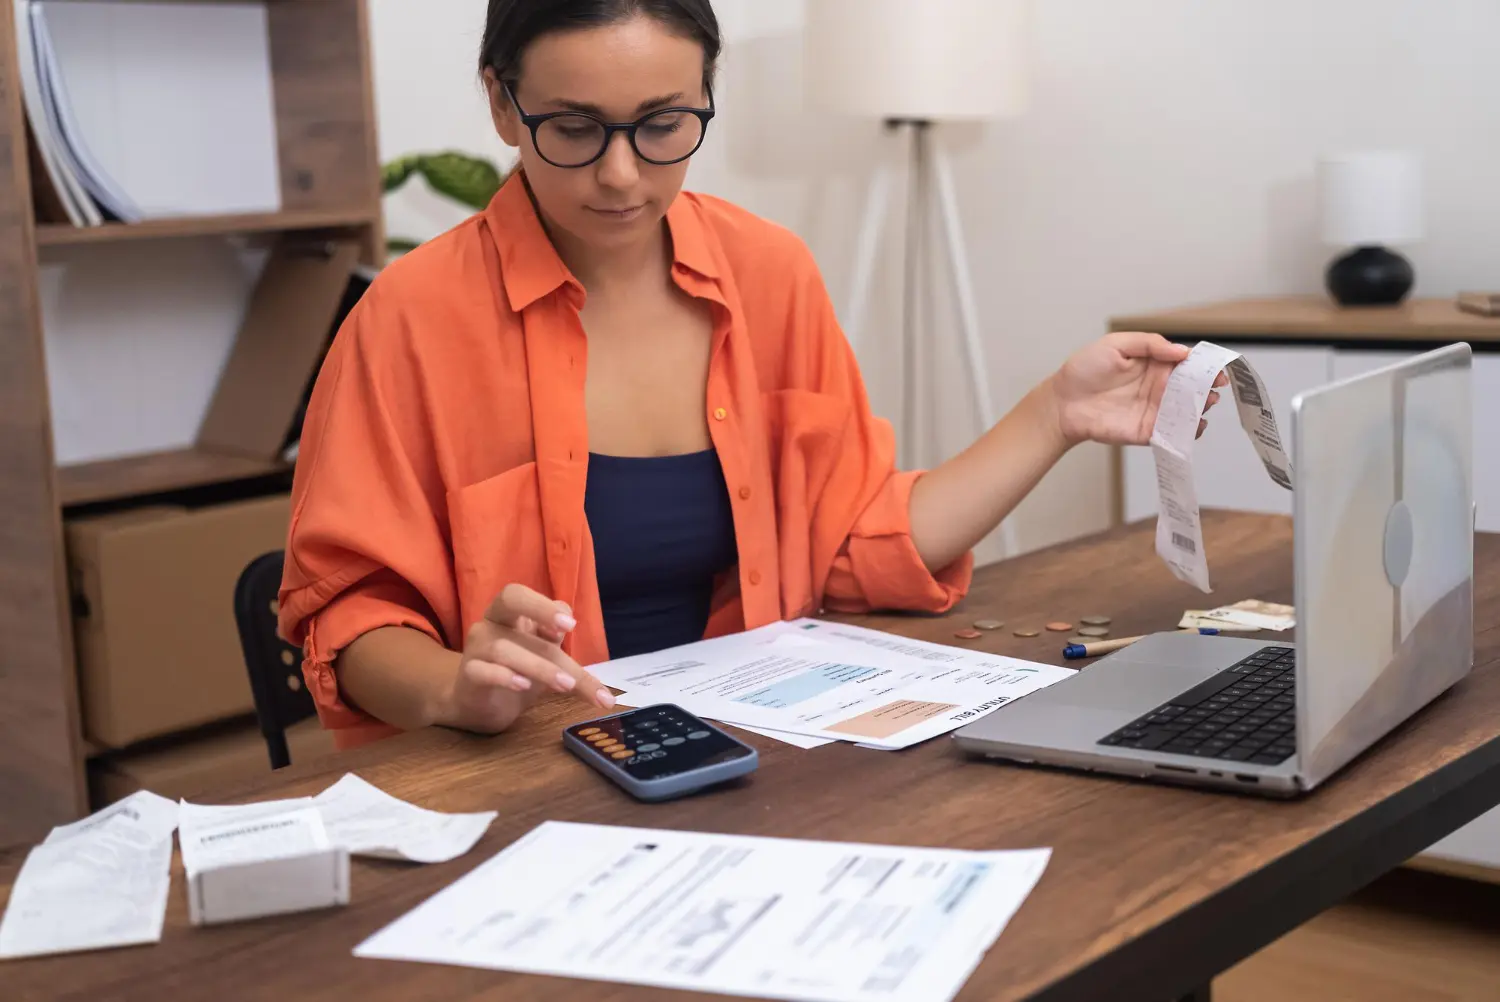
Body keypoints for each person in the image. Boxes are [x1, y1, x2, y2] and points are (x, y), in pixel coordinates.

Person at [278, 0, 1223, 750]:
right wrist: (453, 684)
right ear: (500, 103)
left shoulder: (767, 272)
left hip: (758, 745)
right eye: (572, 128)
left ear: (704, 97)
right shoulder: (409, 318)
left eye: (663, 125)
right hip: (526, 770)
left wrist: (1055, 415)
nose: (619, 175)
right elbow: (349, 614)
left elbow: (855, 545)